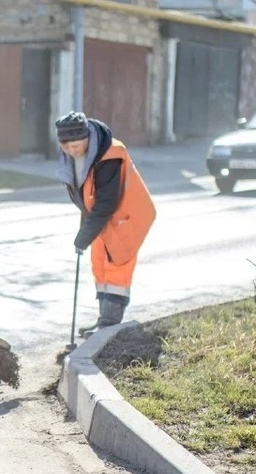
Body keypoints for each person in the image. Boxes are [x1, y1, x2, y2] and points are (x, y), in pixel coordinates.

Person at [54, 111, 156, 335]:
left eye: (76, 146)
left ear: (87, 138)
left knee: (116, 268)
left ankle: (109, 326)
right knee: (100, 265)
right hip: (106, 219)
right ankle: (104, 321)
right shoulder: (75, 159)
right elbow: (87, 198)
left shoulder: (109, 155)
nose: (71, 151)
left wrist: (84, 235)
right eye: (66, 147)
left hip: (126, 217)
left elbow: (106, 202)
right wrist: (85, 230)